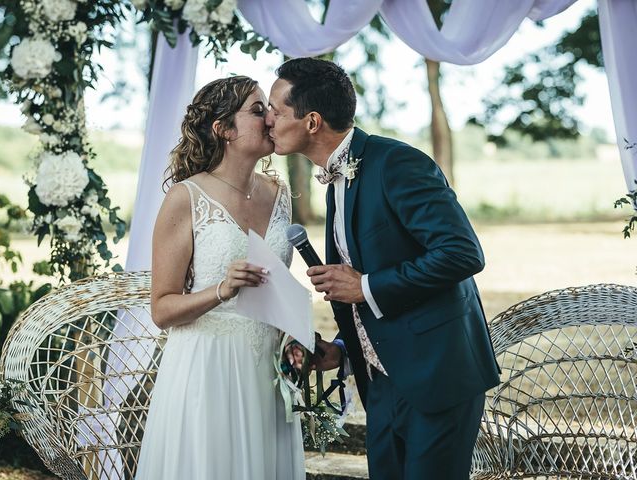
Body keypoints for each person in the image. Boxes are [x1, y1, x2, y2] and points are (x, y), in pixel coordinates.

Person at [266, 58, 500, 480]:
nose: (268, 120)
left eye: (276, 110)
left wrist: (366, 286)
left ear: (313, 121)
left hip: (436, 376)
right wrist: (339, 348)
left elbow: (462, 253)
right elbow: (366, 275)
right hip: (381, 382)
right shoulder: (337, 179)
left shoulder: (397, 164)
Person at [135, 76, 305, 480]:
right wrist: (221, 290)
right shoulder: (186, 198)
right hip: (207, 370)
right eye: (257, 109)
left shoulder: (279, 194)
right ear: (223, 129)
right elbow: (162, 309)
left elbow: (275, 290)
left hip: (266, 371)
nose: (270, 119)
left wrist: (293, 335)